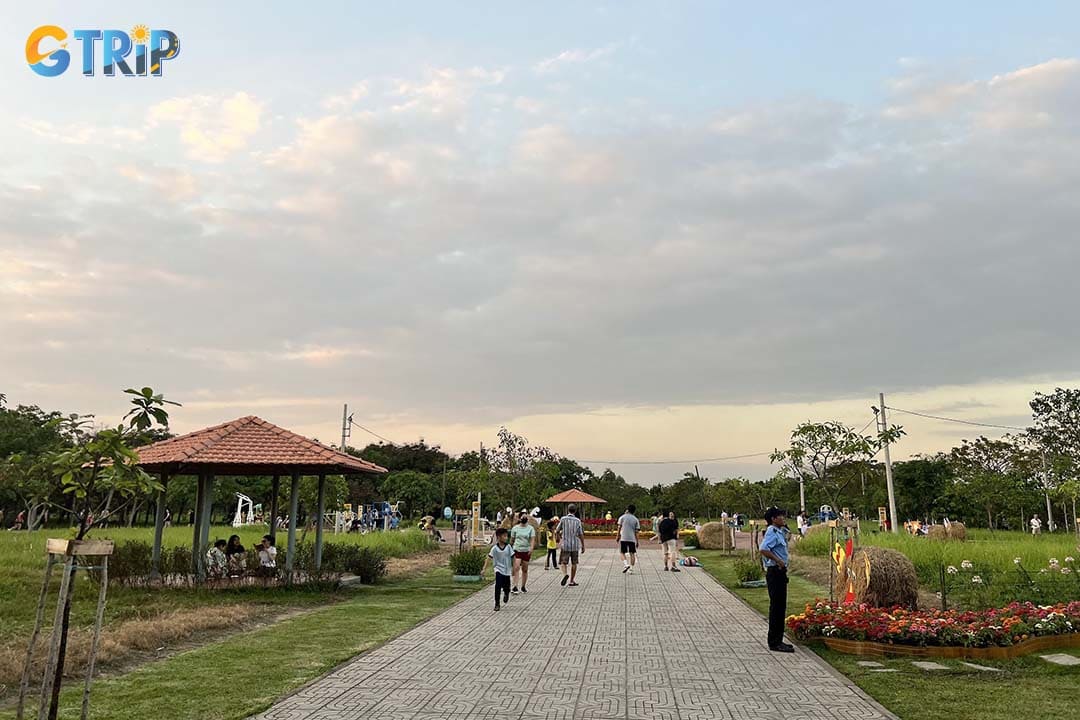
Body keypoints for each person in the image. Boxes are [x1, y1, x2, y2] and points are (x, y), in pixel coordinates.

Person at [759, 507, 794, 653]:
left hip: (779, 572)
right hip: (775, 572)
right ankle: (774, 642)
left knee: (780, 607)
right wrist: (778, 561)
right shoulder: (772, 532)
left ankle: (778, 639)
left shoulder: (778, 531)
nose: (783, 519)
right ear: (773, 519)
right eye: (780, 516)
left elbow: (788, 537)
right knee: (777, 608)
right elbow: (764, 549)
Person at [481, 527, 515, 611]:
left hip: (507, 570)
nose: (506, 538)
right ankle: (497, 603)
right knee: (498, 585)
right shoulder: (494, 548)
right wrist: (484, 569)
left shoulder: (508, 547)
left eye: (507, 536)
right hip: (498, 569)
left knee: (507, 587)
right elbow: (488, 558)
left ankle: (506, 593)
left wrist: (514, 568)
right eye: (504, 536)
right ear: (499, 537)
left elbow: (513, 557)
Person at [557, 503, 585, 587]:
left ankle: (565, 574)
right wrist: (583, 545)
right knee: (574, 563)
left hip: (565, 544)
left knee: (563, 562)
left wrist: (558, 538)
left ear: (568, 510)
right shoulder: (578, 521)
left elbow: (557, 530)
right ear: (575, 511)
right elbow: (581, 534)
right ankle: (572, 581)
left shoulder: (563, 519)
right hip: (575, 545)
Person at [509, 513, 536, 593]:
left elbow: (532, 539)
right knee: (516, 567)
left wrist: (531, 548)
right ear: (519, 518)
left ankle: (523, 586)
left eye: (525, 516)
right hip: (517, 549)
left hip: (526, 551)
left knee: (525, 569)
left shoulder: (530, 528)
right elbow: (512, 539)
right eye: (522, 516)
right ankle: (515, 586)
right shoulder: (515, 528)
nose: (524, 518)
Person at [618, 504, 640, 574]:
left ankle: (626, 564)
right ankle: (631, 569)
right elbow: (637, 532)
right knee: (632, 553)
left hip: (623, 538)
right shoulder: (635, 519)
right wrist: (637, 541)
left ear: (627, 510)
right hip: (632, 539)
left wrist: (617, 536)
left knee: (622, 552)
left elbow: (619, 527)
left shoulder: (622, 517)